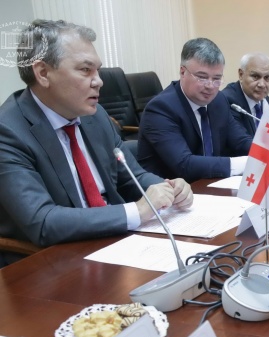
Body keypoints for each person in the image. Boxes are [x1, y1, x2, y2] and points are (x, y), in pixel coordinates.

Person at [0, 20, 192, 267]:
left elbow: (131, 177)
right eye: (85, 70)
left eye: (98, 71)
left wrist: (167, 189)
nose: (99, 81)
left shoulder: (96, 115)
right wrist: (137, 211)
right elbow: (43, 222)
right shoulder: (8, 131)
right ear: (43, 73)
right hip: (55, 263)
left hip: (117, 243)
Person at [137, 38, 253, 182]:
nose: (210, 86)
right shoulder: (160, 109)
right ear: (182, 72)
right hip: (172, 191)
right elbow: (184, 164)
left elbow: (240, 141)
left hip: (211, 184)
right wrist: (246, 163)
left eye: (217, 78)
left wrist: (266, 153)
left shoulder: (218, 100)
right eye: (202, 77)